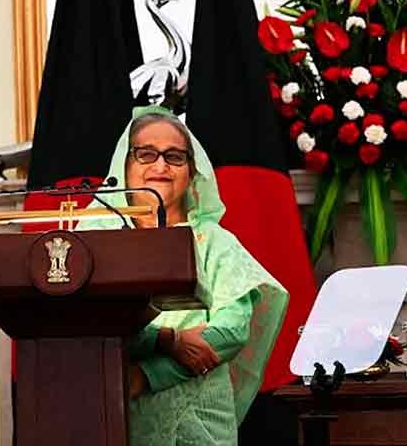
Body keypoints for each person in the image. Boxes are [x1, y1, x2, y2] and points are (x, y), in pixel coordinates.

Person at [78, 105, 289, 445]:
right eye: (146, 154)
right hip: (113, 412)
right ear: (125, 165)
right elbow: (90, 322)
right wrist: (170, 340)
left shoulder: (214, 241)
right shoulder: (95, 235)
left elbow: (231, 330)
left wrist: (147, 375)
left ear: (191, 172)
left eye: (175, 157)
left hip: (199, 419)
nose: (160, 166)